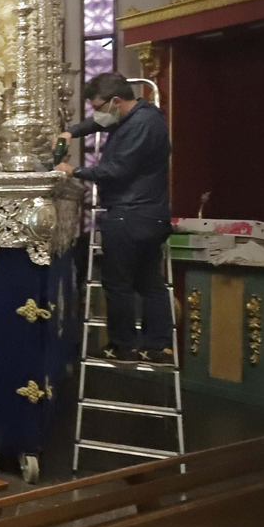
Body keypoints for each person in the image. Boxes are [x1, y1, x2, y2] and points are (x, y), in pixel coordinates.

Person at [55, 72, 174, 363]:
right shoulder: (140, 113)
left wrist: (74, 172)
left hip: (130, 215)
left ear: (116, 101)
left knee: (119, 284)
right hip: (149, 215)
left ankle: (125, 346)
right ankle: (157, 346)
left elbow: (118, 170)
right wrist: (70, 132)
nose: (97, 114)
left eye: (98, 106)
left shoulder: (141, 126)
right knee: (149, 282)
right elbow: (100, 122)